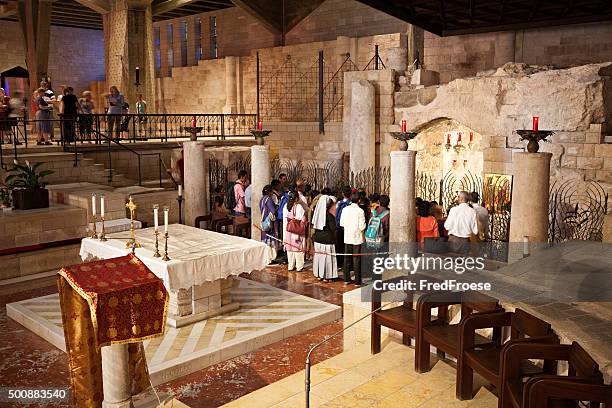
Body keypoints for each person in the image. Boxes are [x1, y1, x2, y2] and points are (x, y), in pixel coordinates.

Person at [340, 192, 366, 286]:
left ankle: (346, 279)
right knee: (357, 259)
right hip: (357, 238)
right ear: (359, 200)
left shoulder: (345, 209)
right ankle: (357, 281)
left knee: (346, 259)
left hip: (347, 237)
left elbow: (342, 224)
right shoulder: (360, 211)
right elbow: (362, 227)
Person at [312, 194, 338, 282]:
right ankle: (328, 276)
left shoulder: (317, 214)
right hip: (327, 241)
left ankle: (320, 274)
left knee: (320, 257)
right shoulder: (329, 216)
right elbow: (334, 228)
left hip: (318, 240)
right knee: (328, 259)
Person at [284, 191, 307, 272]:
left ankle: (290, 266)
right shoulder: (299, 207)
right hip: (297, 230)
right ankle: (299, 266)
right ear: (296, 198)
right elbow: (301, 218)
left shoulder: (287, 206)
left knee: (290, 249)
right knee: (298, 248)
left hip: (289, 230)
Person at [260, 185, 281, 262]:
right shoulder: (269, 199)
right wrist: (277, 207)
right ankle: (271, 258)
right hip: (270, 223)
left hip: (263, 221)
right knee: (271, 239)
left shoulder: (262, 199)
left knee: (266, 239)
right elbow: (273, 211)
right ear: (269, 192)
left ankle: (266, 258)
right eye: (272, 191)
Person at [335, 186, 352, 271]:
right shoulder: (351, 204)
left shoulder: (338, 203)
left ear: (342, 194)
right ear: (351, 194)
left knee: (339, 246)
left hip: (338, 228)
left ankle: (339, 264)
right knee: (347, 247)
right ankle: (347, 265)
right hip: (347, 228)